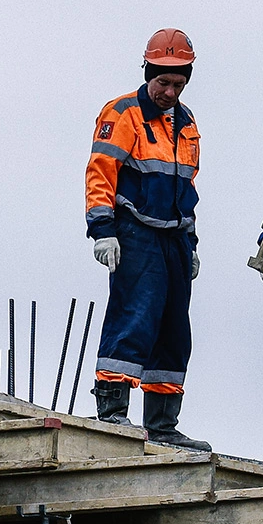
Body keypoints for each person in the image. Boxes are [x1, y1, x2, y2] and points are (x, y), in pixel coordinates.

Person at [84, 28, 210, 451]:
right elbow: (100, 173)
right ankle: (113, 412)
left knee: (174, 329)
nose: (169, 92)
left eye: (178, 84)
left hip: (173, 237)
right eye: (163, 82)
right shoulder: (122, 113)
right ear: (148, 73)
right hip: (135, 230)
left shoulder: (187, 123)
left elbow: (187, 187)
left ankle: (162, 424)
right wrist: (103, 231)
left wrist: (190, 243)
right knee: (134, 317)